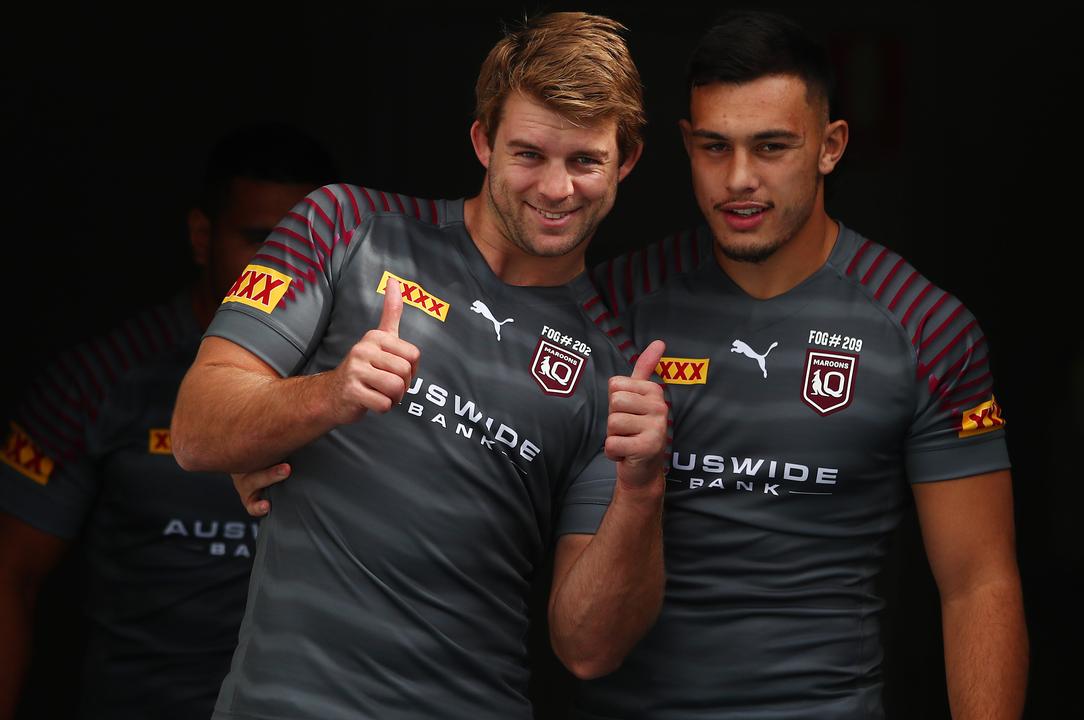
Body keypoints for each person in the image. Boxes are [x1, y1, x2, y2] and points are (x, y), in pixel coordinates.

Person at [170, 12, 667, 720]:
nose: (557, 189)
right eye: (528, 154)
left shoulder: (613, 370)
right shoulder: (344, 226)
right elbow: (194, 430)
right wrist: (333, 394)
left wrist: (643, 488)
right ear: (482, 141)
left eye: (585, 161)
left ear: (626, 162)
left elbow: (589, 647)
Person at [584, 11, 1028, 719]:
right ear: (685, 145)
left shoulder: (926, 328)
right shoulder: (617, 304)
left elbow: (978, 584)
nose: (739, 180)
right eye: (714, 147)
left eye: (771, 147)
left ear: (830, 145)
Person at [0, 123, 333, 719]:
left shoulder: (369, 384)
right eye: (260, 240)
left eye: (302, 246)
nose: (283, 267)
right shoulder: (99, 379)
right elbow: (10, 574)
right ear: (202, 237)